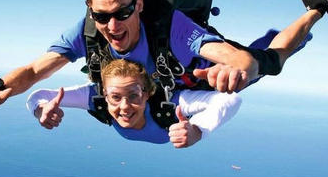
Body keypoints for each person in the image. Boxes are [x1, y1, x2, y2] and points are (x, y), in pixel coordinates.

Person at [0, 0, 328, 116]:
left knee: (270, 59)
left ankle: (314, 10)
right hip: (155, 79)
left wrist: (240, 67)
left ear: (139, 4)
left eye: (122, 13)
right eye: (101, 16)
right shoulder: (85, 30)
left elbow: (232, 58)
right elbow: (34, 69)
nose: (111, 25)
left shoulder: (171, 25)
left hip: (195, 69)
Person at [26, 59, 242, 148]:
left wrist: (197, 130)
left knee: (253, 67)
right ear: (105, 93)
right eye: (115, 97)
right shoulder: (95, 98)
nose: (124, 106)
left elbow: (231, 98)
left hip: (206, 72)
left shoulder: (168, 103)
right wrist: (40, 110)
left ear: (147, 94)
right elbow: (38, 96)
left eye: (133, 95)